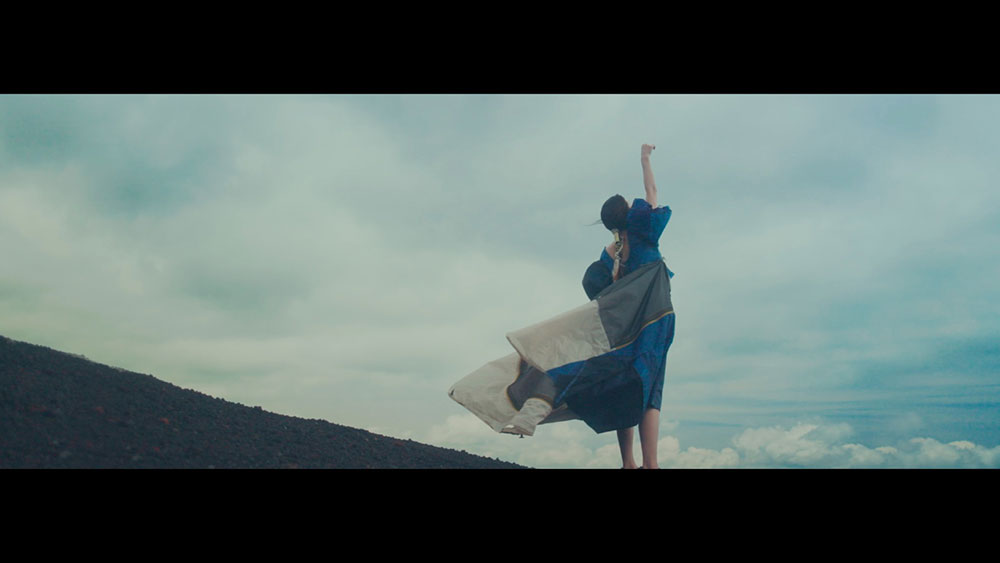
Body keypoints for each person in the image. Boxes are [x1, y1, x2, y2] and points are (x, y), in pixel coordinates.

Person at [582, 143, 675, 469]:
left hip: (626, 327)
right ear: (628, 212)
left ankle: (628, 463)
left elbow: (597, 286)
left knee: (627, 386)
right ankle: (651, 464)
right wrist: (645, 158)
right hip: (656, 318)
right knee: (650, 390)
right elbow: (652, 191)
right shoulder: (644, 229)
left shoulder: (612, 252)